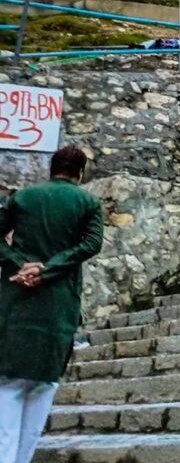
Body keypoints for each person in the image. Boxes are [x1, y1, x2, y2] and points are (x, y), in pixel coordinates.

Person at [0, 145, 103, 463]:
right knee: (43, 388)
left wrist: (21, 264)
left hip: (17, 301)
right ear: (80, 172)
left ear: (52, 167)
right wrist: (51, 268)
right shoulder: (88, 201)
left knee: (7, 389)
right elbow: (91, 243)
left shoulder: (23, 197)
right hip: (58, 306)